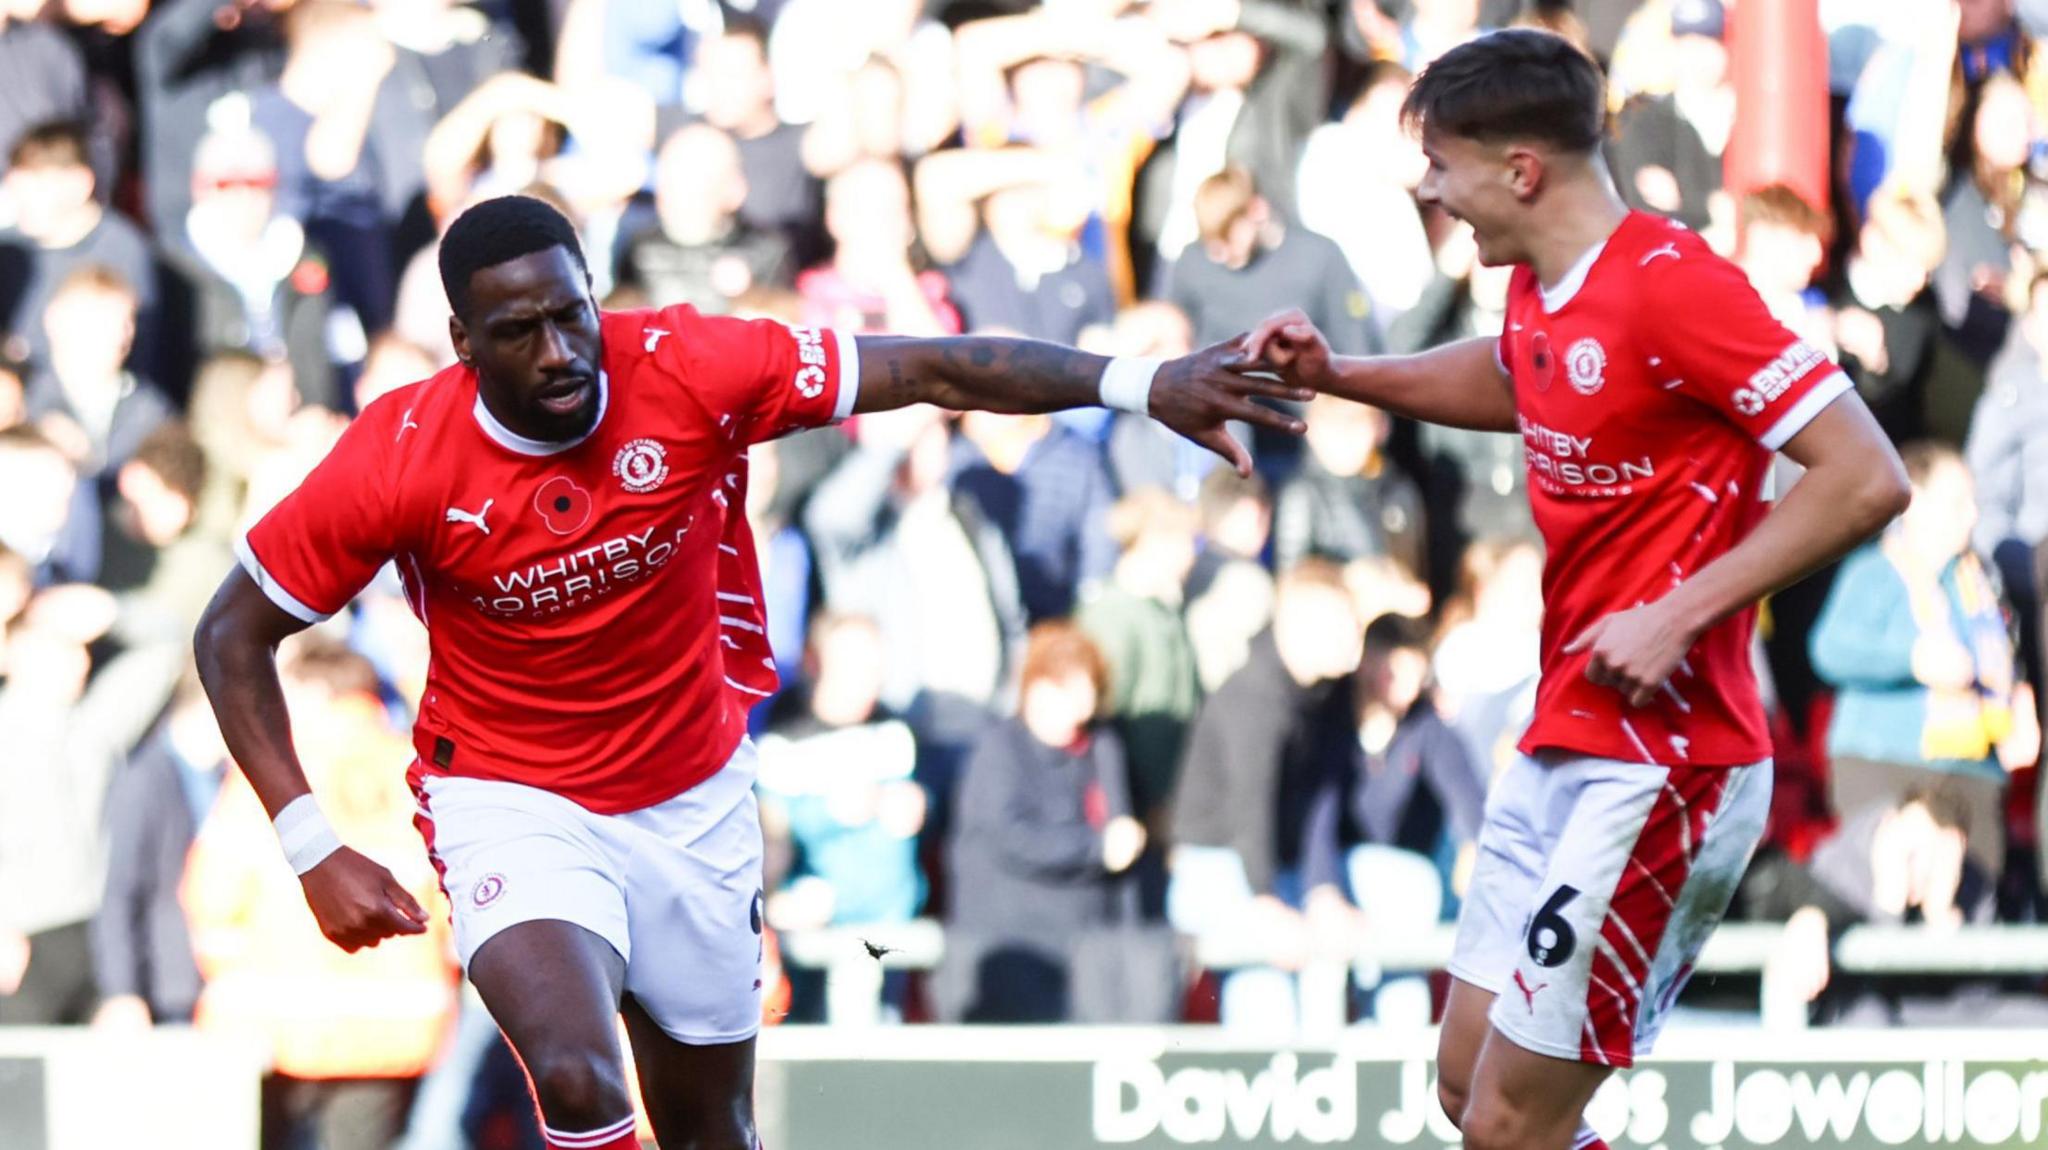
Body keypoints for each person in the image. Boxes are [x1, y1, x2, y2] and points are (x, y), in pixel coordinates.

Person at [191, 193, 1305, 1150]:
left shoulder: (686, 363)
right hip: (510, 796)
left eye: (571, 314)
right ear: (462, 340)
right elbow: (229, 633)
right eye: (518, 330)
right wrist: (307, 841)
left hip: (690, 793)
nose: (560, 352)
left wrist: (1139, 383)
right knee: (576, 1073)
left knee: (711, 1127)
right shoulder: (398, 456)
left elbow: (931, 367)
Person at [1245, 30, 1909, 1150]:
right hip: (1562, 735)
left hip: (1668, 760)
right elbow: (1513, 376)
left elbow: (1866, 474)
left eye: (1442, 163)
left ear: (1519, 170)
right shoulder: (1540, 288)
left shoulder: (1674, 289)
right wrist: (1338, 376)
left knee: (1510, 1121)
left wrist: (1678, 609)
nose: (1427, 188)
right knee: (1463, 1087)